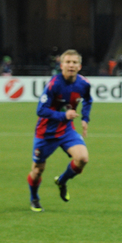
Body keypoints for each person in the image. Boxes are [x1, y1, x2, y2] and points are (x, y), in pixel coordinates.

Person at [27, 49, 92, 212]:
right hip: (45, 133)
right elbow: (40, 110)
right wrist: (64, 115)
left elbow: (88, 100)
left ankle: (62, 181)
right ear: (61, 65)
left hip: (66, 130)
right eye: (68, 62)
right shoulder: (54, 84)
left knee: (82, 158)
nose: (71, 65)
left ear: (79, 66)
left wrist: (85, 118)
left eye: (74, 62)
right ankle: (34, 198)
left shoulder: (84, 84)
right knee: (38, 170)